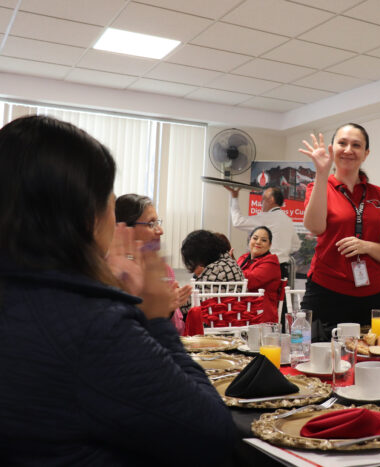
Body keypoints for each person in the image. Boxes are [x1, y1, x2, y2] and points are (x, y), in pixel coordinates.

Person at [0, 115, 235, 465]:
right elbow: (214, 436)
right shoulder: (90, 322)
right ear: (87, 215)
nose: (158, 230)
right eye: (109, 201)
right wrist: (154, 317)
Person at [298, 123, 380, 341]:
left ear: (365, 154)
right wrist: (321, 173)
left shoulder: (378, 194)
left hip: (373, 296)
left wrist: (366, 246)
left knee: (373, 360)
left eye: (356, 145)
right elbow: (315, 227)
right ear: (332, 149)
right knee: (312, 357)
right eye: (342, 143)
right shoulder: (318, 186)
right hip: (326, 292)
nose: (348, 150)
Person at [115, 193, 191, 334]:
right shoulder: (114, 272)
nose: (160, 231)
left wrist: (168, 311)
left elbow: (178, 330)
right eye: (151, 224)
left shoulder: (164, 270)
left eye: (158, 223)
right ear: (127, 229)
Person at [226, 185, 300, 280]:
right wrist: (282, 252)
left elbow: (237, 222)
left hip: (266, 268)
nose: (261, 203)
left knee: (260, 293)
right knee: (279, 294)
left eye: (263, 199)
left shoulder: (265, 218)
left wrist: (235, 198)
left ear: (271, 200)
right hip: (283, 269)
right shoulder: (288, 220)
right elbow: (296, 245)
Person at [236, 226, 282, 323]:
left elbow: (249, 282)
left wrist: (231, 267)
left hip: (261, 316)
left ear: (270, 245)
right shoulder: (243, 258)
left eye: (264, 240)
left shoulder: (271, 262)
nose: (258, 242)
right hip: (242, 311)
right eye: (255, 238)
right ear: (250, 239)